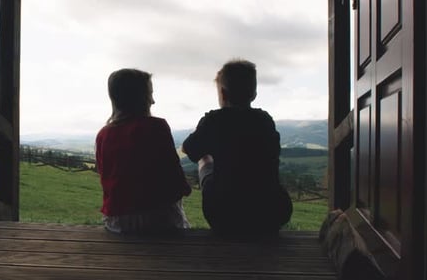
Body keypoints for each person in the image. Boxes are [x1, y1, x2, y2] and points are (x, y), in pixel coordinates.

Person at [182, 59, 292, 237]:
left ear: (223, 94)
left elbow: (190, 149)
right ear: (254, 94)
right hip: (272, 214)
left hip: (223, 216)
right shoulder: (265, 120)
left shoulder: (214, 120)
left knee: (205, 158)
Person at [95, 68, 191, 234]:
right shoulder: (156, 127)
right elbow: (175, 180)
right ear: (139, 98)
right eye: (150, 94)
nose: (153, 101)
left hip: (118, 222)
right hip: (159, 219)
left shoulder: (103, 135)